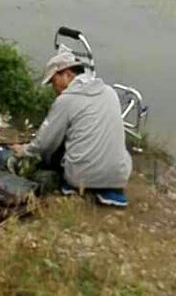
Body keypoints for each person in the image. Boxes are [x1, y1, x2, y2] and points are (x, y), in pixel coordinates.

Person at [15, 48, 132, 208]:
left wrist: (23, 150)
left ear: (67, 74)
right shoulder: (109, 92)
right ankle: (107, 188)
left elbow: (44, 143)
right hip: (119, 176)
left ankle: (80, 184)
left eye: (53, 81)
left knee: (51, 152)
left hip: (81, 178)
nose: (53, 88)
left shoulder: (66, 100)